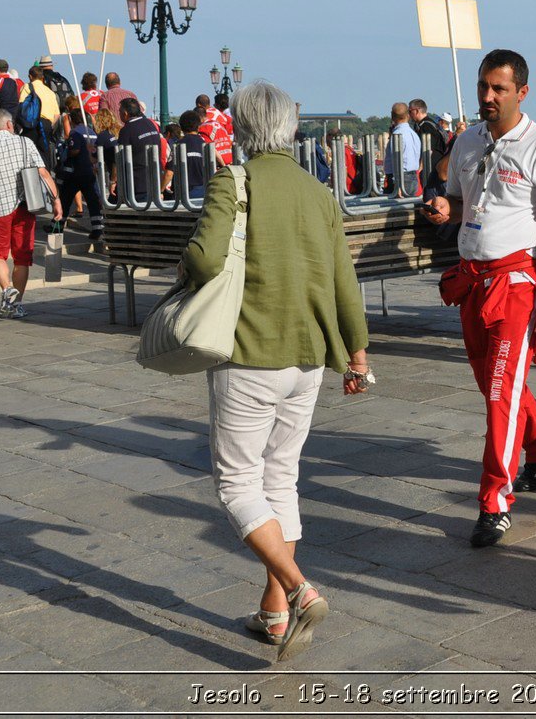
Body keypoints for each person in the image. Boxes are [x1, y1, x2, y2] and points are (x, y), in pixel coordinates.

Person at [182, 80, 371, 661]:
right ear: (290, 129)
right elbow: (345, 280)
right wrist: (357, 353)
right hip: (308, 357)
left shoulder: (231, 182)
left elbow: (205, 257)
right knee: (281, 477)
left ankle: (298, 587)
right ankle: (274, 612)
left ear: (240, 129)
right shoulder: (318, 193)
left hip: (249, 353)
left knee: (237, 482)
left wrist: (185, 269)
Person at [424, 49, 536, 548]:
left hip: (516, 283)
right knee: (491, 382)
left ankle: (496, 500)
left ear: (521, 93)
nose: (487, 97)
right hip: (472, 279)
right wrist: (447, 205)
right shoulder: (466, 140)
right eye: (484, 86)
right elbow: (463, 197)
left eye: (499, 89)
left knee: (500, 394)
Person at [0, 108, 63, 319]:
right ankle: (17, 303)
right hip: (25, 205)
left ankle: (6, 288)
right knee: (22, 257)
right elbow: (43, 173)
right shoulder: (25, 143)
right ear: (10, 125)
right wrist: (56, 200)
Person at [58, 103, 104, 244]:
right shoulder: (92, 132)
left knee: (65, 200)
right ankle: (97, 229)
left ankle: (58, 226)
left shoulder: (75, 133)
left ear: (72, 120)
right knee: (93, 201)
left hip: (76, 172)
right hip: (90, 171)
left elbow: (75, 150)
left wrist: (65, 151)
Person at [116, 97, 167, 203]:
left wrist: (114, 180)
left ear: (125, 113)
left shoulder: (127, 130)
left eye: (120, 112)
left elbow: (121, 157)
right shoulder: (151, 124)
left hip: (138, 184)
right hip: (155, 180)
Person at [166, 109, 210, 203]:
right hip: (203, 192)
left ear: (181, 127)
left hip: (183, 194)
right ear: (198, 126)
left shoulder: (178, 145)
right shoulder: (205, 144)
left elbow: (169, 173)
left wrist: (160, 191)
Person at [383, 101, 421, 196]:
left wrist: (398, 184)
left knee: (394, 210)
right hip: (413, 177)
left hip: (400, 178)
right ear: (408, 115)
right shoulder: (414, 134)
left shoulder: (397, 135)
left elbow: (396, 160)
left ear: (392, 116)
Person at [200, 93, 235, 165]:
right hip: (230, 155)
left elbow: (210, 147)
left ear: (199, 105)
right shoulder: (222, 115)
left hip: (217, 161)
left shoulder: (204, 125)